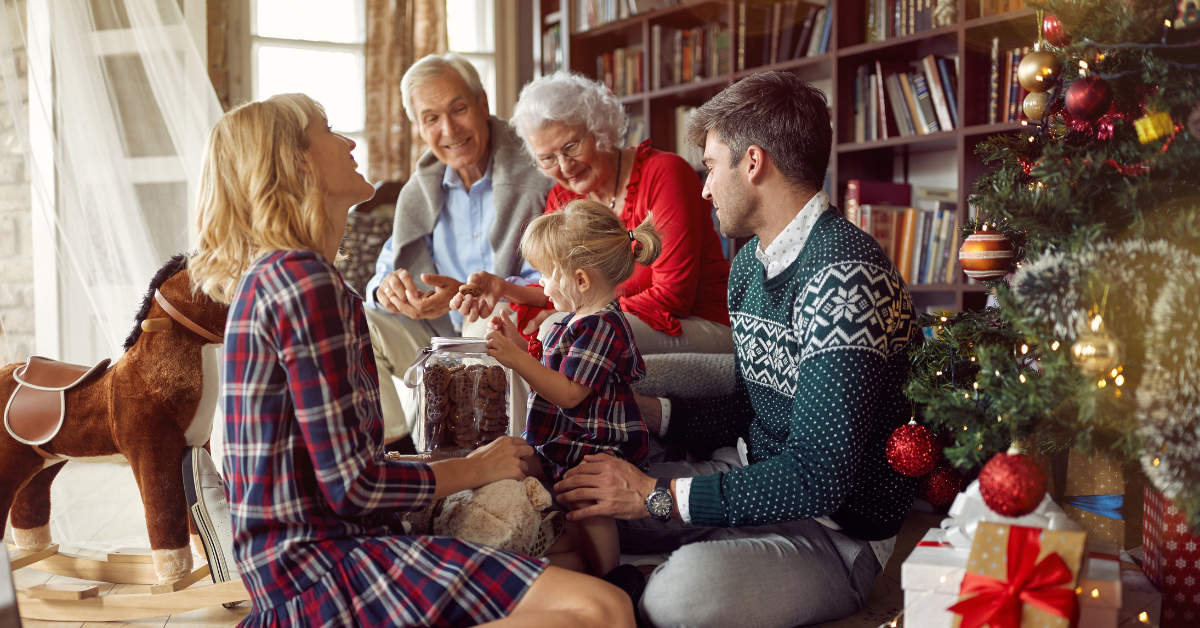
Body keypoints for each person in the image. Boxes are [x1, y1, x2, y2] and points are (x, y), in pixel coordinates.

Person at [188, 93, 633, 628]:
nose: (349, 142)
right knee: (602, 608)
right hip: (321, 572)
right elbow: (353, 487)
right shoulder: (303, 283)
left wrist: (448, 466)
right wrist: (474, 468)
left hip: (297, 562)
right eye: (328, 130)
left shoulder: (280, 276)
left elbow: (338, 470)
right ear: (296, 162)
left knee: (575, 577)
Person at [551, 72, 922, 628]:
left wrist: (656, 496)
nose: (703, 188)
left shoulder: (843, 274)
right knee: (580, 508)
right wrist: (651, 413)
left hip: (835, 531)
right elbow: (751, 407)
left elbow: (819, 476)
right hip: (749, 471)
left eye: (710, 166)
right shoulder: (749, 265)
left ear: (752, 163)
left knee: (677, 597)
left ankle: (675, 565)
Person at [451, 72, 731, 355]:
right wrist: (503, 288)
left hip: (695, 322)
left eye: (571, 146)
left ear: (600, 129)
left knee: (560, 332)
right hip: (616, 316)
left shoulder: (665, 174)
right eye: (548, 158)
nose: (564, 165)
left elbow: (671, 298)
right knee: (490, 322)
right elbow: (562, 288)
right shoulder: (563, 197)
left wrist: (570, 317)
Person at [363, 53, 554, 445]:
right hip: (435, 339)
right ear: (419, 127)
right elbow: (384, 272)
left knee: (489, 318)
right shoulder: (421, 189)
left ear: (483, 104)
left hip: (505, 329)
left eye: (459, 109)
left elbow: (556, 276)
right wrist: (389, 290)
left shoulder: (536, 171)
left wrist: (469, 296)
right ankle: (399, 454)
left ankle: (495, 458)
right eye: (431, 118)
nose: (448, 129)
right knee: (359, 321)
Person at [483, 200, 662, 579]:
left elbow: (568, 393)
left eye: (546, 274)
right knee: (511, 463)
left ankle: (612, 576)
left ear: (580, 280)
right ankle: (554, 546)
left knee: (588, 499)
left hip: (594, 444)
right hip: (565, 437)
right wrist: (519, 346)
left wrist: (518, 362)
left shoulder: (603, 325)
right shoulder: (574, 320)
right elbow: (553, 368)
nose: (542, 285)